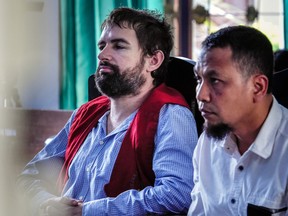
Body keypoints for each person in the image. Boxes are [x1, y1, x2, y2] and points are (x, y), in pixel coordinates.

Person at [17, 7, 198, 216]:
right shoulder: (84, 114)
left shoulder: (170, 115)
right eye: (102, 45)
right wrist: (47, 202)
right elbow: (29, 175)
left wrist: (88, 211)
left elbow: (177, 195)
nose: (102, 54)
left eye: (119, 46)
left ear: (153, 60)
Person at [188, 26, 288, 215]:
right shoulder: (207, 144)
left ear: (257, 87)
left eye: (215, 80)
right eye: (198, 79)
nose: (200, 95)